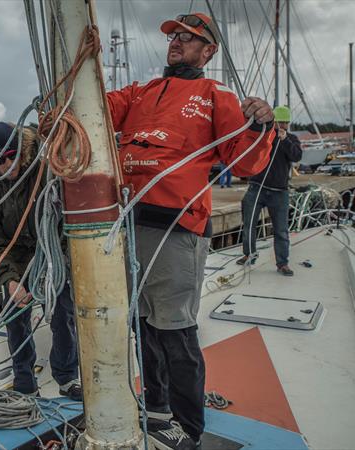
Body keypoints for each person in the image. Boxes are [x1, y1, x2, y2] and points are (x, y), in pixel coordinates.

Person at [105, 13, 275, 449]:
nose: (177, 42)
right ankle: (157, 406)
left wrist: (260, 124)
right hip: (130, 223)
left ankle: (189, 426)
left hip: (176, 229)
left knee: (175, 330)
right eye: (174, 36)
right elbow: (98, 110)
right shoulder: (139, 92)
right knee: (144, 325)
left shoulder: (215, 95)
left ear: (208, 50)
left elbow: (245, 163)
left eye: (188, 38)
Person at [0, 122, 82, 400]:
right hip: (15, 256)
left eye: (12, 156)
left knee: (62, 312)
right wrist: (9, 280)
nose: (8, 164)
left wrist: (56, 261)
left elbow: (66, 222)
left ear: (22, 151)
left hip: (50, 250)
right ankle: (24, 379)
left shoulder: (46, 173)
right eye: (0, 160)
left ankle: (67, 376)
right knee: (15, 315)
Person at [238, 105, 302, 276]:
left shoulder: (292, 139)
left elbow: (296, 156)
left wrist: (285, 140)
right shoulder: (264, 136)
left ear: (288, 124)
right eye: (279, 122)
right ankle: (249, 254)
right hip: (257, 187)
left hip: (279, 192)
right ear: (273, 122)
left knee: (281, 230)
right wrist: (269, 135)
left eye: (285, 123)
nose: (282, 126)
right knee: (249, 223)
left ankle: (282, 263)